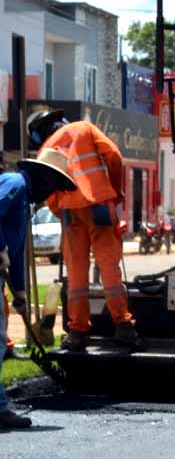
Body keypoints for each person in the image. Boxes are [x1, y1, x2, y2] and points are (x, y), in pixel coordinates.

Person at [26, 109, 141, 352]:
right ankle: (123, 326)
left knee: (76, 273)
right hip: (99, 204)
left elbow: (49, 193)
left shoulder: (45, 149)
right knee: (108, 267)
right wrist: (114, 191)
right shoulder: (84, 128)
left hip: (70, 212)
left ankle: (77, 331)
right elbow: (114, 156)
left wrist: (62, 212)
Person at [0, 147, 77, 428]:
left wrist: (20, 292)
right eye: (53, 186)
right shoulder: (15, 184)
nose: (51, 194)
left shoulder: (24, 204)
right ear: (42, 177)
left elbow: (17, 251)